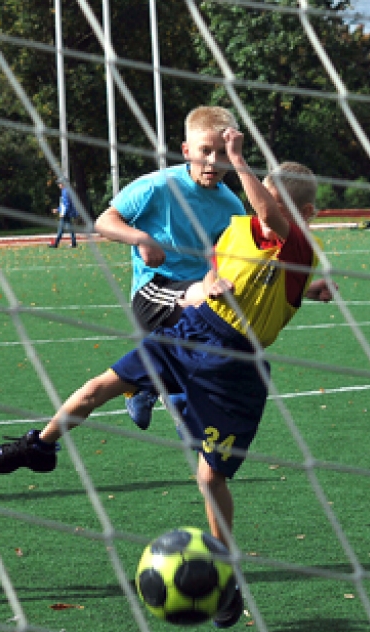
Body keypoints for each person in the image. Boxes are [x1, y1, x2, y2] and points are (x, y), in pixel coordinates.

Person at [0, 129, 333, 628]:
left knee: (209, 476)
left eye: (272, 201)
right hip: (191, 333)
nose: (262, 207)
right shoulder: (238, 228)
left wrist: (240, 160)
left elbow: (275, 224)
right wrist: (208, 284)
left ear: (306, 213)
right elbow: (228, 267)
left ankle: (225, 575)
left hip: (233, 367)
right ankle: (40, 446)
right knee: (97, 387)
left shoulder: (297, 241)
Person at [94, 105, 246, 430]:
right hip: (154, 291)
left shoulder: (231, 205)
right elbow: (104, 221)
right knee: (201, 312)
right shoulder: (157, 186)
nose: (212, 161)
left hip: (198, 293)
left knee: (228, 331)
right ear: (186, 151)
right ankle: (175, 395)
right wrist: (141, 238)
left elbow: (227, 258)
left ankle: (148, 386)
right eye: (205, 151)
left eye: (221, 153)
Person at [49, 179, 79, 248]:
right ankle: (73, 243)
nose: (58, 185)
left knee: (60, 229)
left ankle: (56, 244)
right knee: (69, 228)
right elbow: (63, 204)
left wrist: (63, 213)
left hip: (66, 213)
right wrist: (57, 210)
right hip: (67, 213)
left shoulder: (65, 192)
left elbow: (66, 205)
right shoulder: (65, 191)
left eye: (59, 183)